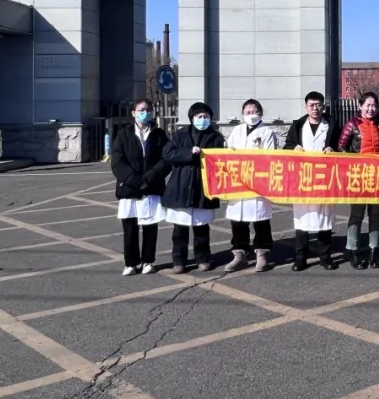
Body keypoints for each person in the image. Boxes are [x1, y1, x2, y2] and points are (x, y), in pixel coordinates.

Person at [162, 102, 226, 273]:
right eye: (199, 116)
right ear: (192, 118)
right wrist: (189, 152)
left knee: (202, 228)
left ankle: (203, 258)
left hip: (203, 187)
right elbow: (168, 154)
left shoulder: (216, 137)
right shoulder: (180, 134)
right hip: (181, 185)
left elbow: (220, 161)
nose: (202, 119)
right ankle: (178, 261)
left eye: (206, 116)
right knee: (179, 229)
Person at [110, 99, 170, 275]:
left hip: (152, 185)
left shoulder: (159, 134)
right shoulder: (123, 135)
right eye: (141, 109)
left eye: (148, 109)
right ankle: (131, 263)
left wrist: (150, 177)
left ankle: (148, 261)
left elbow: (166, 159)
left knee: (150, 226)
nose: (145, 112)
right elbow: (117, 161)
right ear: (133, 112)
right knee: (130, 226)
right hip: (130, 187)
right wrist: (135, 180)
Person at [283, 91, 340, 271]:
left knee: (325, 220)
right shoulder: (298, 125)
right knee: (302, 221)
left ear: (323, 106)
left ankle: (325, 257)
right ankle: (300, 258)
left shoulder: (332, 125)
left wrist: (333, 150)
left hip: (325, 179)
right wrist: (294, 147)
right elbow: (287, 147)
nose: (315, 108)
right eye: (312, 105)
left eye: (318, 105)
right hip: (303, 179)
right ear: (306, 107)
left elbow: (341, 147)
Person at [223, 99, 280, 273]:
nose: (251, 115)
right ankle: (239, 254)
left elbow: (270, 157)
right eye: (247, 112)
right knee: (238, 220)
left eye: (254, 112)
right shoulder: (237, 130)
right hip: (238, 182)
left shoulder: (267, 132)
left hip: (258, 183)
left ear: (260, 113)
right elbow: (228, 151)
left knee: (260, 219)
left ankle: (262, 253)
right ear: (243, 114)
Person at [338, 92, 379, 269]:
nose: (371, 109)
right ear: (360, 106)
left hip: (377, 177)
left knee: (376, 215)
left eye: (374, 105)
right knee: (356, 215)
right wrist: (353, 162)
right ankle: (352, 250)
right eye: (368, 105)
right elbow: (341, 147)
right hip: (358, 177)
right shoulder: (352, 125)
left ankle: (374, 250)